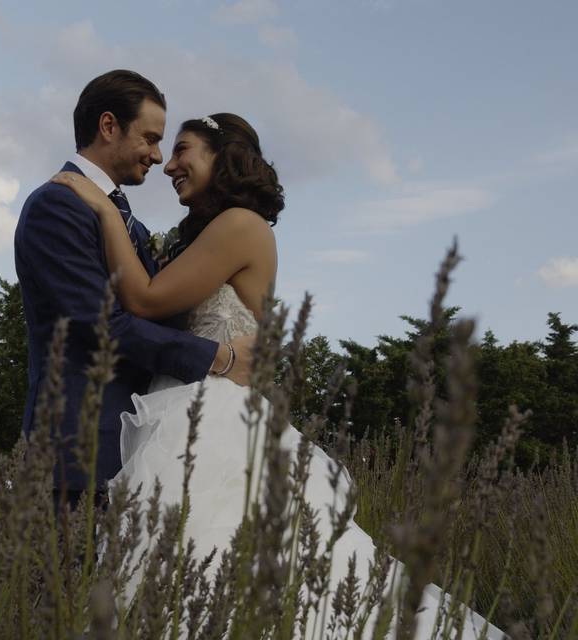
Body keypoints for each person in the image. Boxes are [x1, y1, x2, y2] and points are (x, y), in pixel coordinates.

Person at [52, 112, 504, 638]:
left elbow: (147, 301)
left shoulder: (241, 225)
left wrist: (105, 214)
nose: (169, 164)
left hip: (211, 417)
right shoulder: (194, 235)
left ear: (223, 157)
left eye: (183, 150)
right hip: (173, 412)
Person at [14, 70, 257, 516]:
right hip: (81, 452)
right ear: (109, 126)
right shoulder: (58, 205)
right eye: (149, 138)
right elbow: (101, 326)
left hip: (139, 454)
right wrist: (220, 359)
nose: (157, 155)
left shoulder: (128, 224)